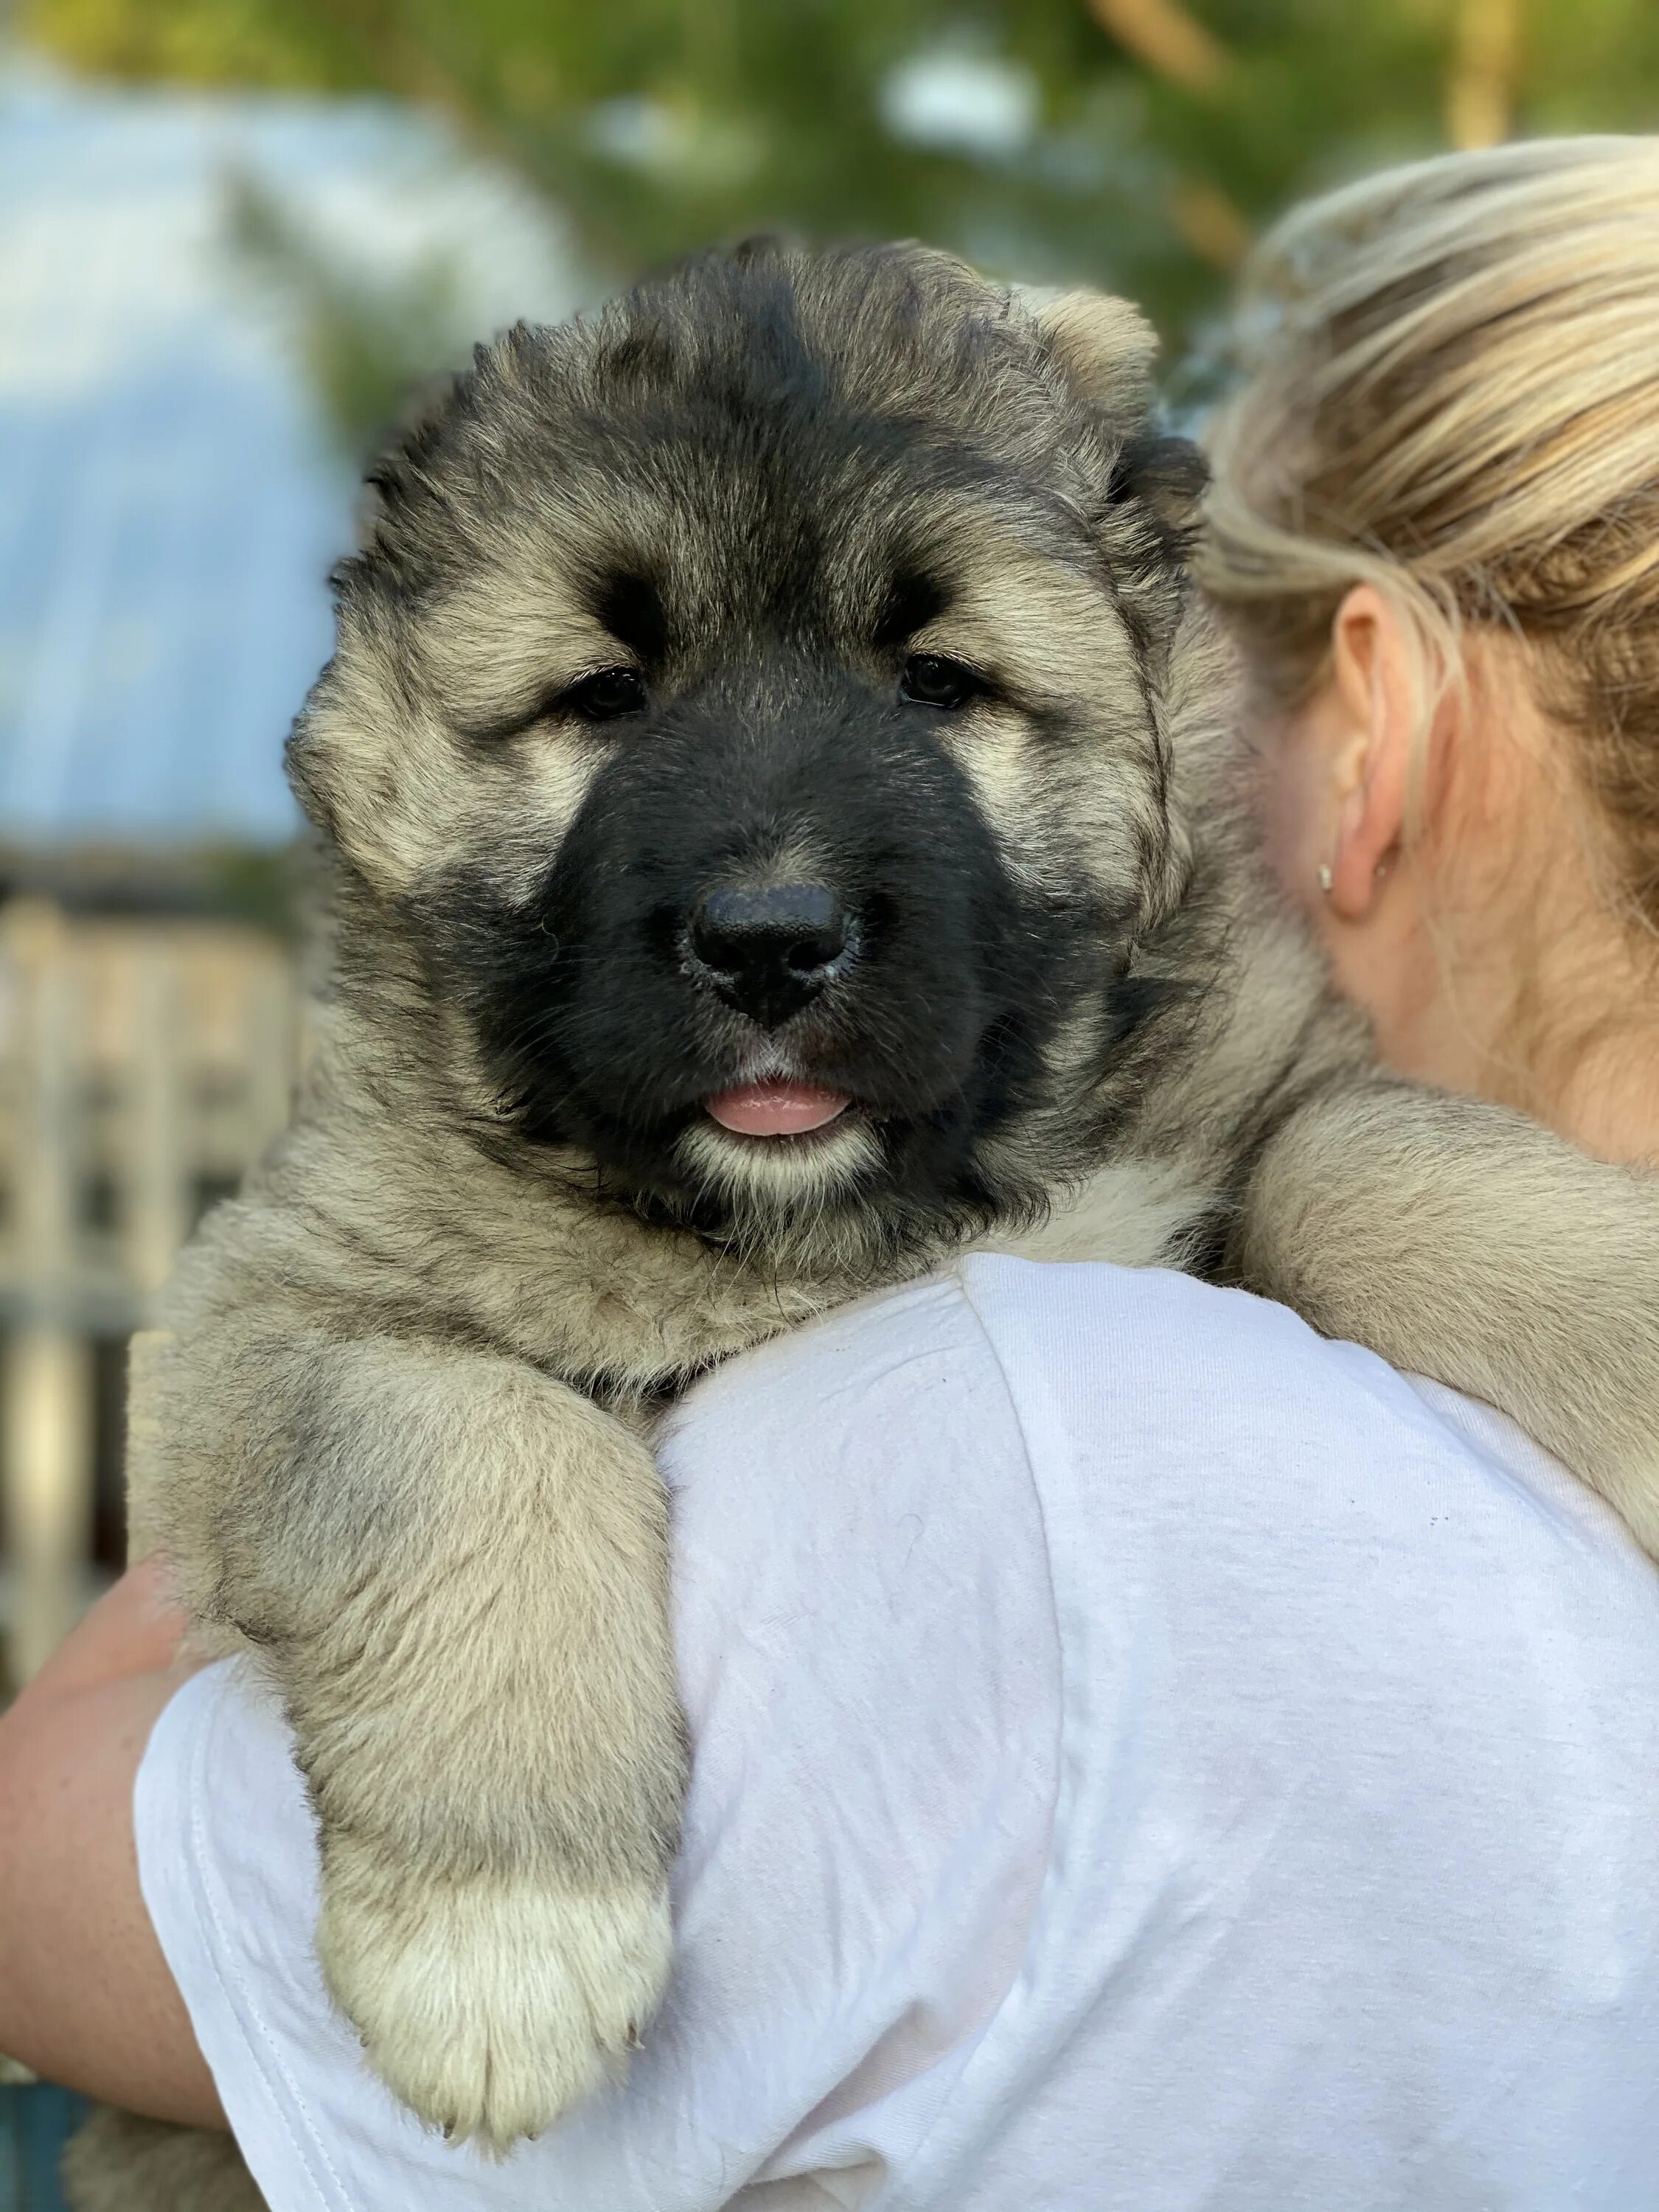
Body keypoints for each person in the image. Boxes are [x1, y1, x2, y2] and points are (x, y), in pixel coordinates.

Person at [4, 134, 1659, 2211]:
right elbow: (293, 1367)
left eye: (947, 685)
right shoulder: (451, 1198)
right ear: (372, 752)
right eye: (597, 698)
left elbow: (41, 1872)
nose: (774, 876)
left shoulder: (1039, 1453)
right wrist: (490, 1745)